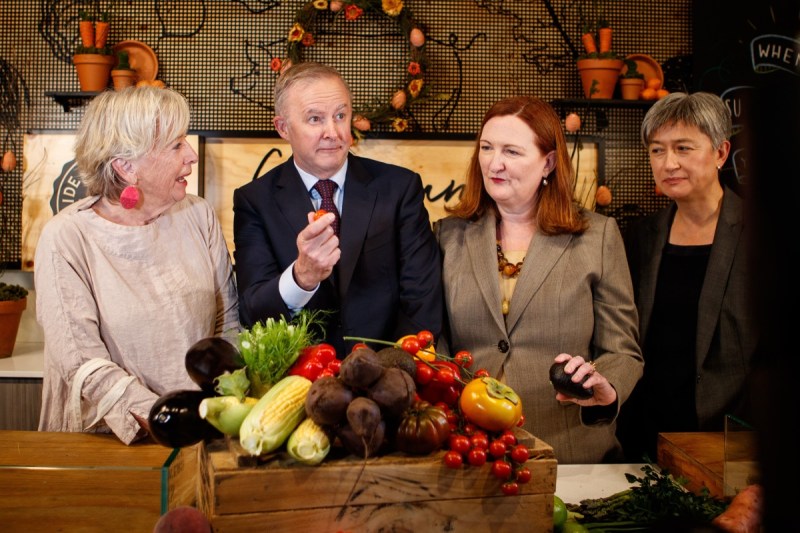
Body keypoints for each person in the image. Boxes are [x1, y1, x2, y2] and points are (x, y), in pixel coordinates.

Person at [435, 96, 643, 464]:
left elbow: (622, 351)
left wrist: (604, 386)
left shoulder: (599, 237)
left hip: (571, 453)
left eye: (512, 152)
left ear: (547, 161)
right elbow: (434, 343)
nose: (494, 163)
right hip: (470, 451)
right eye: (486, 148)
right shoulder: (446, 236)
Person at [34, 86, 239, 445]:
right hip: (107, 441)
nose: (190, 155)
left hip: (202, 431)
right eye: (176, 145)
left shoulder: (198, 215)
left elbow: (227, 320)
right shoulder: (67, 237)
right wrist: (167, 419)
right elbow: (81, 361)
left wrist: (222, 408)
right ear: (126, 167)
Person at [232, 61, 442, 355]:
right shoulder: (254, 201)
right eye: (315, 119)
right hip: (298, 382)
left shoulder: (400, 188)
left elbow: (422, 300)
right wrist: (301, 276)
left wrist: (393, 375)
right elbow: (254, 312)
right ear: (283, 128)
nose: (333, 131)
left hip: (391, 378)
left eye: (340, 115)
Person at [616, 91, 758, 462]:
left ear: (721, 153)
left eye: (683, 148)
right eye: (657, 150)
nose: (669, 163)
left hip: (728, 442)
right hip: (645, 438)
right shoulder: (642, 236)